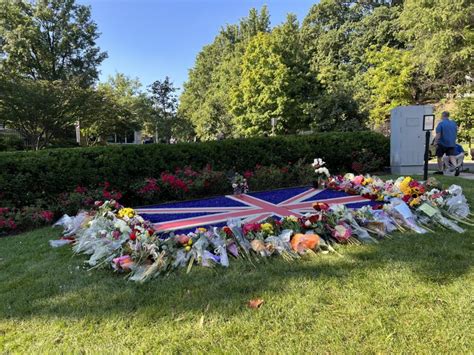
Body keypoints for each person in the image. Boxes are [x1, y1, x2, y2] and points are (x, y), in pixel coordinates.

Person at [434, 111, 459, 176]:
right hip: (451, 143)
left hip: (442, 143)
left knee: (439, 156)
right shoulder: (453, 123)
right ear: (448, 116)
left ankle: (440, 170)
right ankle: (456, 167)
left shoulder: (441, 124)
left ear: (443, 116)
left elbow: (438, 134)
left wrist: (435, 142)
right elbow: (456, 132)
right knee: (451, 156)